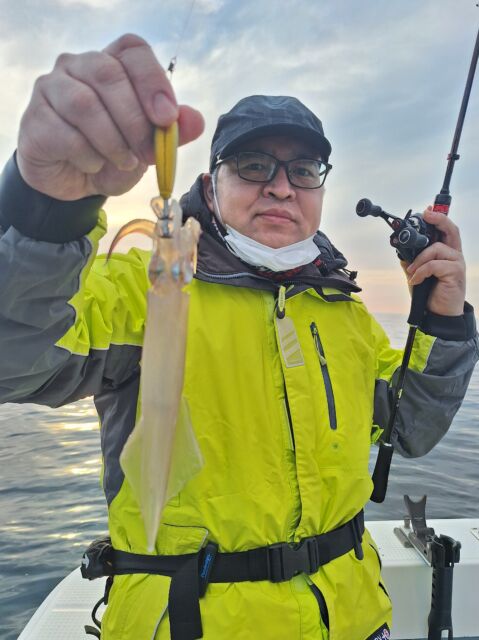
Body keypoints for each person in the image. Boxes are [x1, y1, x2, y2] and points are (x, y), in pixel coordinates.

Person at [0, 34, 477, 640]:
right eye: (253, 166)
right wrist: (44, 212)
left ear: (321, 188)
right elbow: (15, 358)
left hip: (353, 619)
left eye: (303, 170)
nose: (281, 187)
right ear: (211, 182)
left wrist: (442, 320)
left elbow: (410, 428)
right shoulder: (138, 287)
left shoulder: (345, 313)